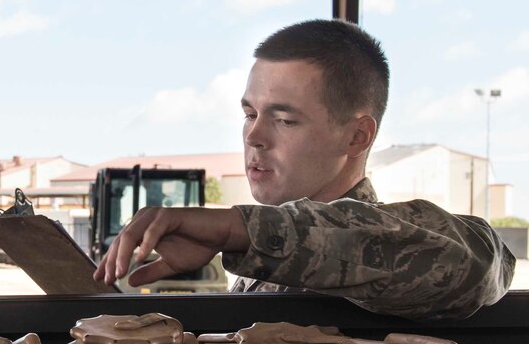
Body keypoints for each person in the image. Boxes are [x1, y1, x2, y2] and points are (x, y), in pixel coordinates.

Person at [94, 19, 514, 321]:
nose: (253, 136)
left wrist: (232, 230)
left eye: (285, 119)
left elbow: (479, 262)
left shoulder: (384, 256)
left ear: (356, 137)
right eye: (250, 113)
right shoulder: (265, 257)